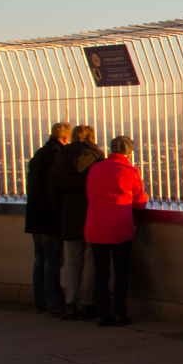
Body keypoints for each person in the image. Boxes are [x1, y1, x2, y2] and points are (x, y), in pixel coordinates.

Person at [83, 135, 148, 327]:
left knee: (100, 272)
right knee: (121, 271)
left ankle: (103, 314)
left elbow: (90, 194)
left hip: (95, 226)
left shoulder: (95, 169)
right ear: (128, 153)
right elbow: (139, 201)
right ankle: (119, 312)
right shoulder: (130, 171)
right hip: (120, 227)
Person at [49, 125, 103, 320]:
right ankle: (89, 303)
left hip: (69, 215)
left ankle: (70, 304)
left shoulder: (60, 159)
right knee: (91, 261)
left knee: (72, 261)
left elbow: (53, 192)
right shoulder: (96, 158)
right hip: (92, 213)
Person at [25, 123, 72, 314]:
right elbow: (55, 190)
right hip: (50, 219)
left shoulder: (39, 155)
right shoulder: (56, 157)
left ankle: (41, 302)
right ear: (66, 138)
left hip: (35, 218)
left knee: (40, 261)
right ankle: (54, 303)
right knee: (53, 262)